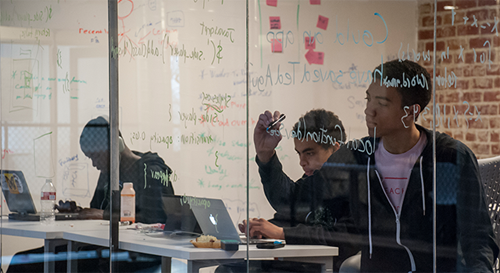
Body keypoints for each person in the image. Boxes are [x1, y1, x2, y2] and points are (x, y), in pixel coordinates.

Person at [284, 59, 498, 272]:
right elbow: (295, 199)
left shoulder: (447, 158)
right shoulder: (359, 156)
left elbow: (477, 238)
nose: (370, 110)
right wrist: (266, 158)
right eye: (369, 100)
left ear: (410, 112)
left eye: (382, 103)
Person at [7, 116, 175, 273]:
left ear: (116, 145)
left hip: (133, 253)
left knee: (25, 266)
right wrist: (78, 211)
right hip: (99, 246)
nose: (94, 164)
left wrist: (104, 215)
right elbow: (96, 212)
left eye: (96, 156)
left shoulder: (151, 171)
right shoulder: (109, 172)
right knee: (20, 260)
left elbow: (156, 219)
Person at [233, 109, 359, 272]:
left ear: (335, 150)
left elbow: (344, 237)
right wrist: (263, 229)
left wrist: (281, 233)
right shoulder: (315, 180)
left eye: (310, 153)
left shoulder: (358, 185)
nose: (302, 162)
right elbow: (289, 205)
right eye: (299, 153)